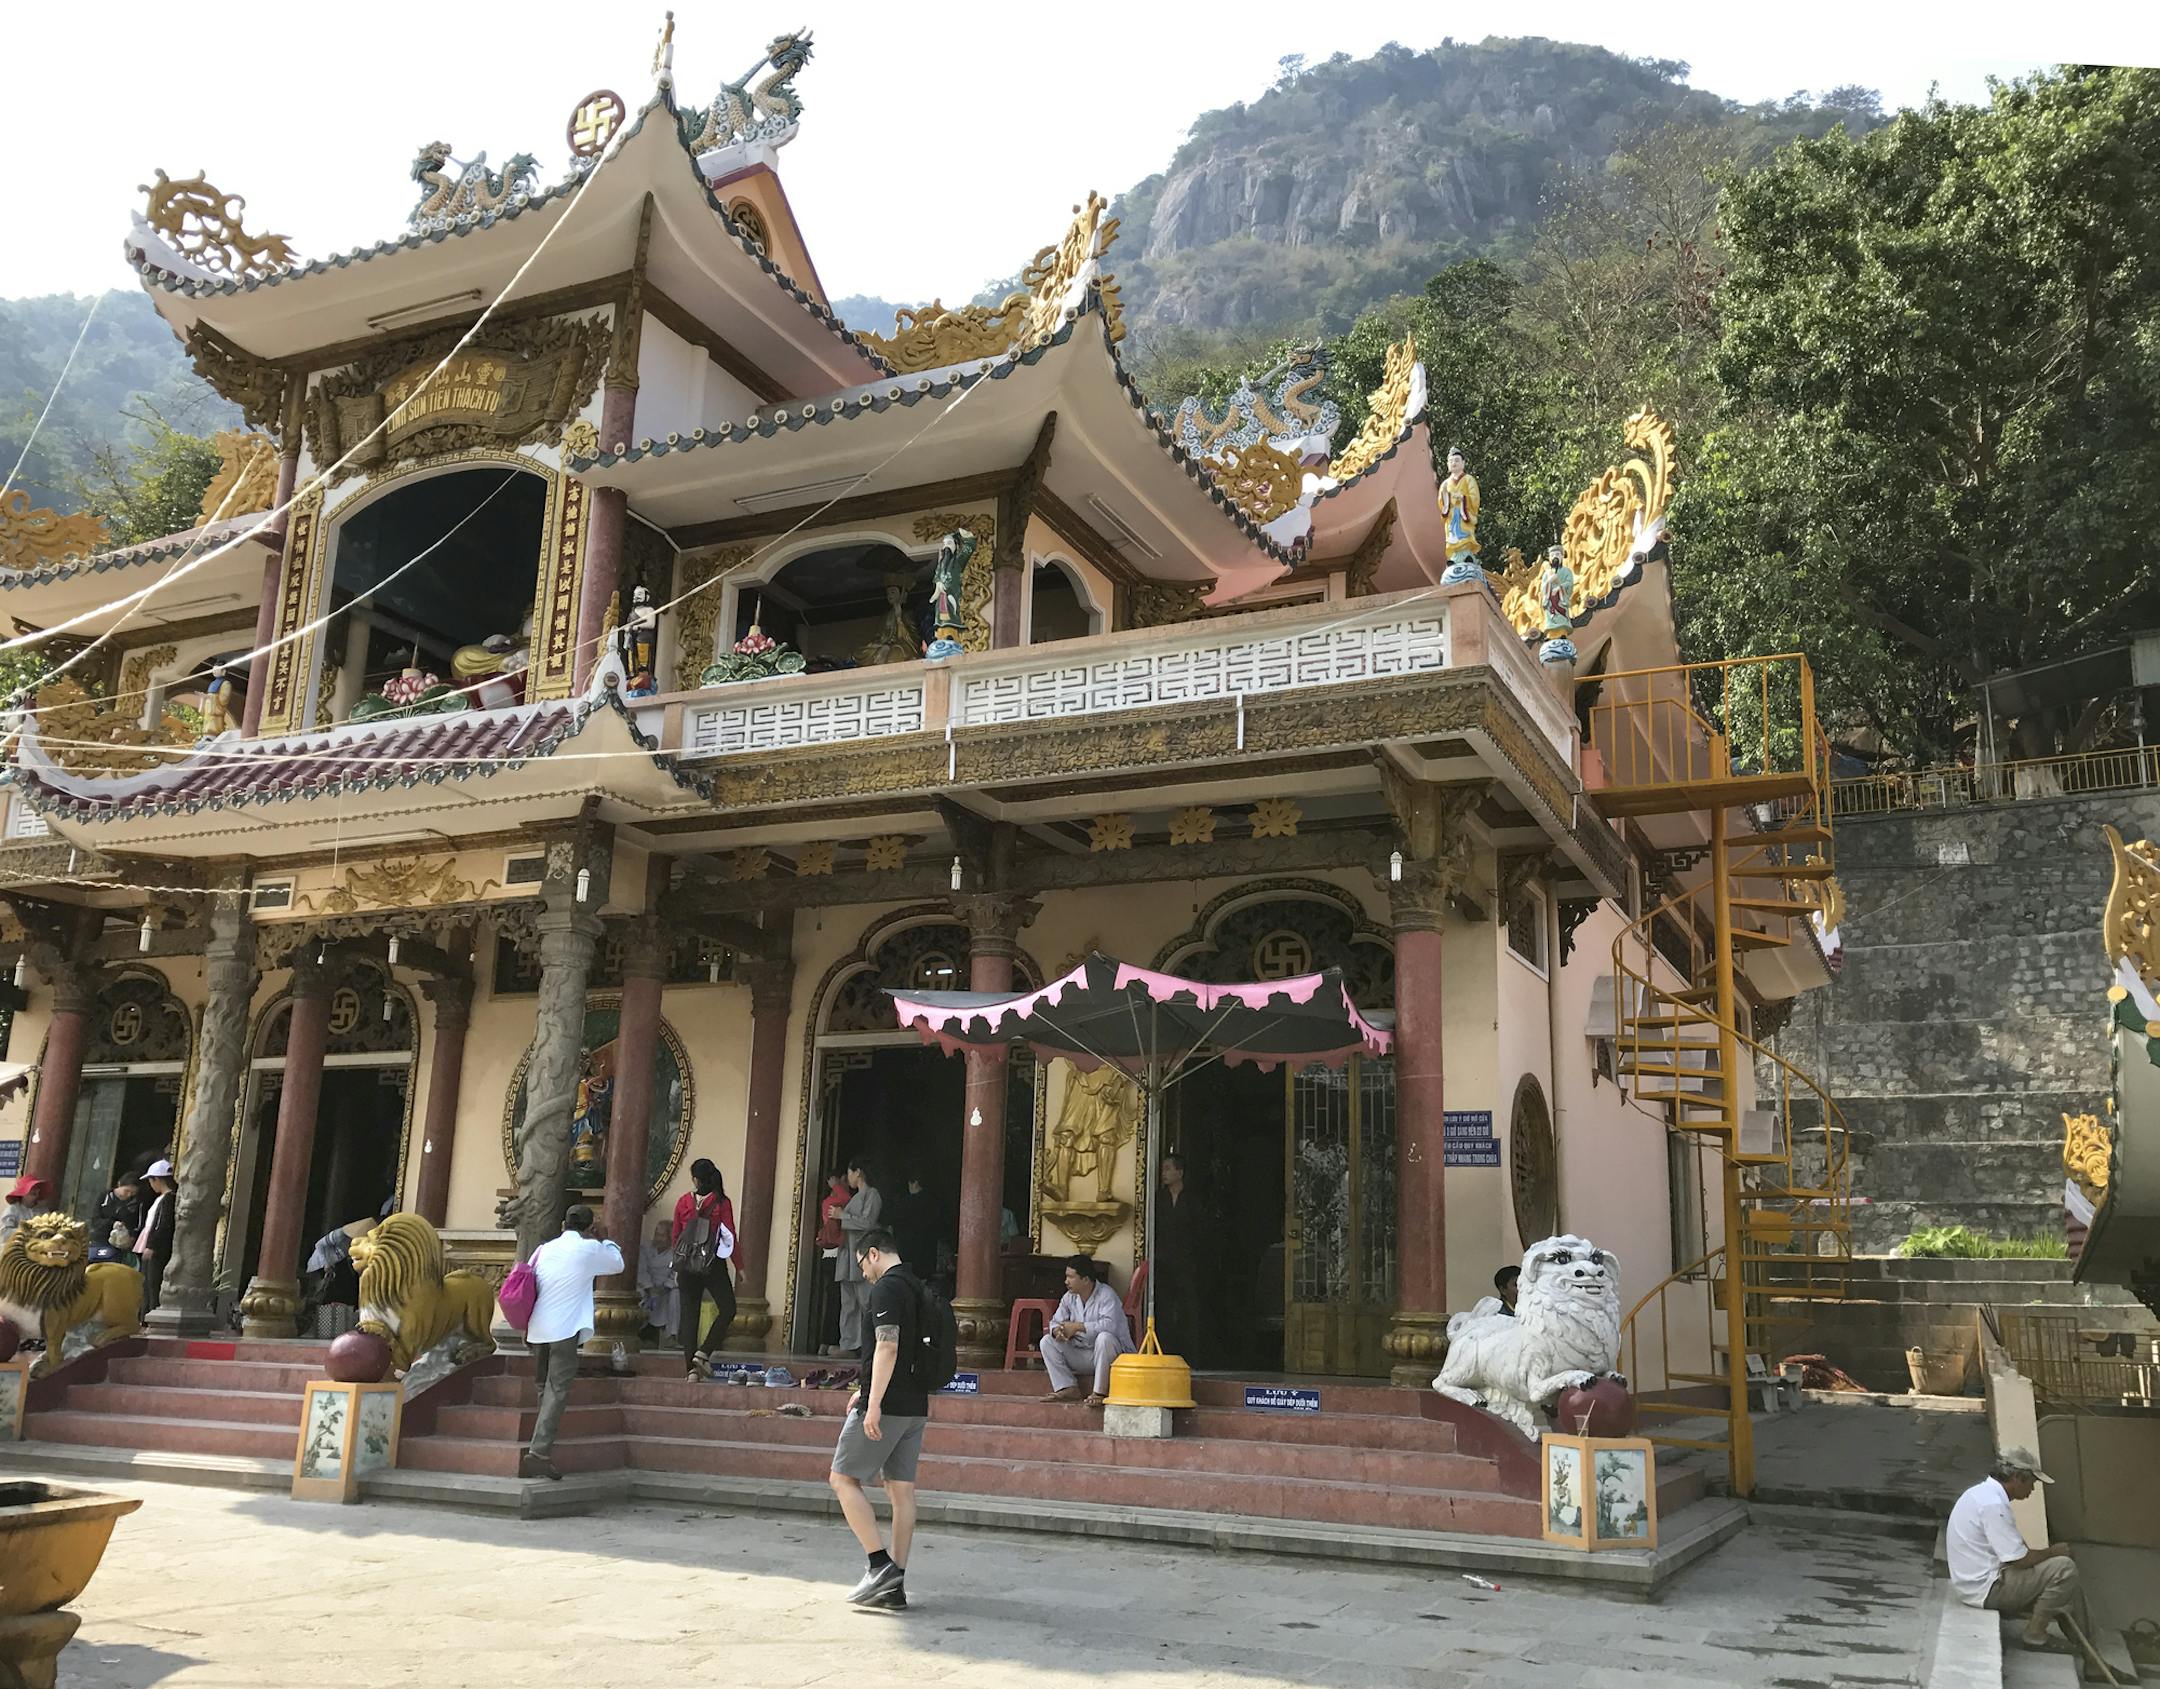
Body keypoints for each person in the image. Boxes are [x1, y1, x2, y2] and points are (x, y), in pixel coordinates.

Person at [827, 1228, 928, 1611]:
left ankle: (879, 1564)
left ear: (873, 1254)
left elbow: (887, 1345)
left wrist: (872, 1403)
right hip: (916, 1404)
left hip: (888, 1404)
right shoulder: (917, 1286)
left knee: (842, 1479)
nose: (864, 1275)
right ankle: (895, 1585)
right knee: (901, 1492)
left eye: (862, 1266)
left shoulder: (887, 1288)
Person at [1946, 1448, 2089, 1654]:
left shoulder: (1981, 1494)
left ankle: (2090, 1649)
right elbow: (2019, 1560)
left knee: (2071, 1586)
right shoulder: (1993, 1505)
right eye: (2031, 1482)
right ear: (2015, 1478)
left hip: (1981, 1581)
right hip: (1985, 1589)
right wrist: (2054, 1552)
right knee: (2064, 1568)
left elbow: (2017, 1555)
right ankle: (2035, 1635)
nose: (2032, 1489)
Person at [521, 1204, 623, 1481]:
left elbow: (527, 1283)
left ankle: (539, 1441)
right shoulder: (590, 1249)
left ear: (562, 1224)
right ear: (589, 1227)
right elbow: (617, 1263)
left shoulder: (544, 1249)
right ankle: (539, 1452)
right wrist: (605, 1238)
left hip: (537, 1327)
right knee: (556, 1390)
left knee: (544, 1387)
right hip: (564, 1329)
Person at [1038, 1255, 1134, 1409]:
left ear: (1085, 1279)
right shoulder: (1069, 1298)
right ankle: (1067, 1387)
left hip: (1112, 1357)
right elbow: (1055, 1322)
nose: (1066, 1281)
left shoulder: (1106, 1295)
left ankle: (1099, 1392)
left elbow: (1110, 1326)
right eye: (1066, 1277)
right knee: (1047, 1342)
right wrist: (1058, 1331)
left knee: (1104, 1338)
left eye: (1071, 1277)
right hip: (1085, 1355)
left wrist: (1077, 1327)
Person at [672, 1159, 737, 1379]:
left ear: (695, 1179)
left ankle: (691, 1371)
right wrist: (740, 1265)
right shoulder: (721, 1203)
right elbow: (729, 1237)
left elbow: (676, 1235)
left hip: (686, 1266)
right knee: (728, 1308)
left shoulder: (683, 1202)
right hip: (713, 1264)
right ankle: (704, 1351)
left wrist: (678, 1264)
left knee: (689, 1317)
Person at [1154, 1152, 1203, 1361]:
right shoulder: (1159, 1198)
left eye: (1168, 1169)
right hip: (1163, 1261)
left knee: (1189, 1307)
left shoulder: (1193, 1199)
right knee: (1164, 1307)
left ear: (1179, 1172)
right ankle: (1165, 1351)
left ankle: (1192, 1354)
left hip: (1187, 1261)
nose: (1164, 1173)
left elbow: (1200, 1230)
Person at [834, 1159, 882, 1357]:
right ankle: (849, 1344)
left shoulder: (872, 1194)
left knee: (866, 1302)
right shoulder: (854, 1197)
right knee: (848, 1304)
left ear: (858, 1172)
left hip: (862, 1256)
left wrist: (843, 1216)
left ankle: (871, 1344)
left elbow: (868, 1223)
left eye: (850, 1172)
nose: (849, 1177)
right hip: (847, 1255)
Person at [135, 1161, 177, 1313]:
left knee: (153, 1282)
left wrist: (152, 1245)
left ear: (157, 1180)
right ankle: (144, 1315)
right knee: (146, 1282)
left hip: (158, 1248)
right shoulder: (161, 1199)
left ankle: (152, 1313)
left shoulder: (169, 1199)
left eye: (151, 1181)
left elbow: (162, 1225)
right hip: (150, 1243)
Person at [888, 1172, 940, 1278]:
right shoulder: (933, 1202)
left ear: (915, 1183)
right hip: (928, 1249)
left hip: (907, 1249)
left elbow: (894, 1221)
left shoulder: (906, 1203)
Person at [637, 1217, 679, 1344]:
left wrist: (663, 1288)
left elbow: (676, 1275)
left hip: (665, 1289)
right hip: (646, 1287)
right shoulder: (645, 1248)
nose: (658, 1239)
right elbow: (642, 1270)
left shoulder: (676, 1252)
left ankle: (672, 1335)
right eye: (657, 1235)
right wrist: (650, 1288)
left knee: (676, 1294)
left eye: (662, 1236)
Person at [95, 1174, 147, 1258]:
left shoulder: (137, 1204)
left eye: (133, 1193)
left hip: (121, 1245)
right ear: (119, 1184)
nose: (129, 1195)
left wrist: (131, 1238)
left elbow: (138, 1226)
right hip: (100, 1240)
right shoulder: (105, 1196)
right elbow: (95, 1219)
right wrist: (113, 1223)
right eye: (126, 1191)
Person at [0, 1176, 55, 1251]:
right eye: (33, 1194)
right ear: (23, 1194)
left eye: (37, 1193)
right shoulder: (12, 1210)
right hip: (15, 1250)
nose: (36, 1197)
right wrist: (26, 1231)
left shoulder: (43, 1211)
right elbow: (5, 1233)